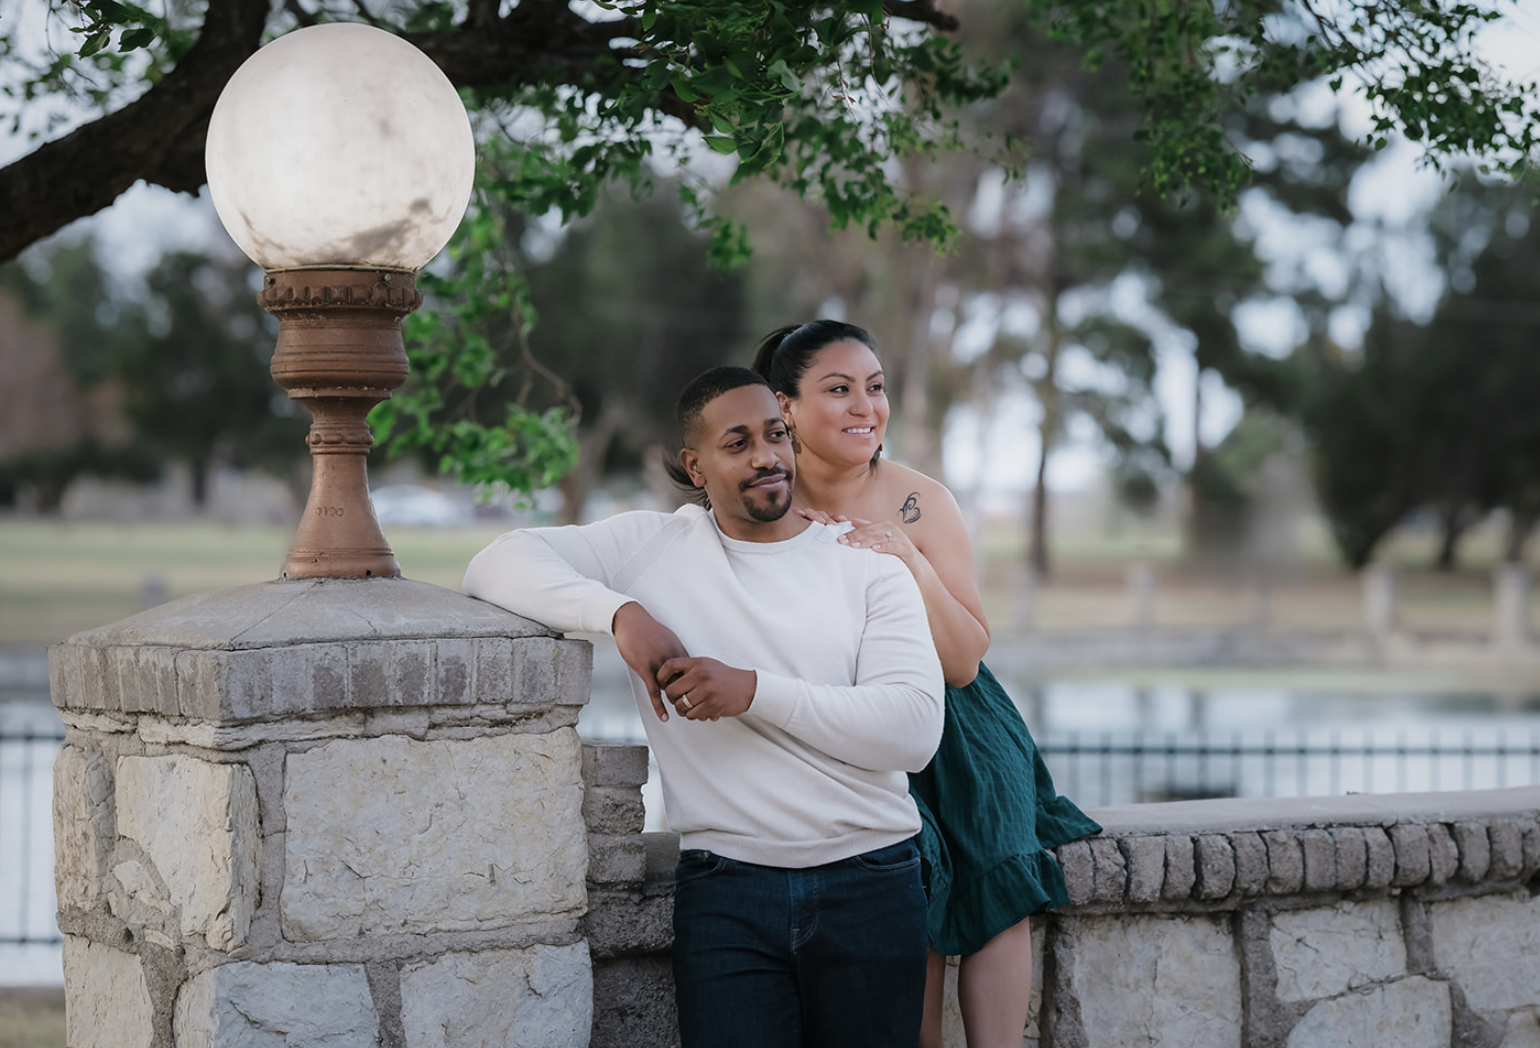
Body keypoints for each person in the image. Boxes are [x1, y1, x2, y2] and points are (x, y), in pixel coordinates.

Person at [462, 365, 945, 1048]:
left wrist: (752, 691)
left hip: (870, 883)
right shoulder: (651, 548)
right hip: (727, 892)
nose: (766, 457)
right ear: (696, 465)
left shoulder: (864, 563)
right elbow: (495, 562)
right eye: (738, 442)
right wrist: (620, 613)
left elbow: (913, 732)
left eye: (776, 436)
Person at [754, 320, 1101, 1048]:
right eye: (839, 389)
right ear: (784, 407)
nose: (866, 408)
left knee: (994, 865)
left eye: (875, 389)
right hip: (859, 726)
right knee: (905, 886)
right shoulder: (763, 502)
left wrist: (909, 561)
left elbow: (966, 657)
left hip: (962, 721)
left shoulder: (922, 500)